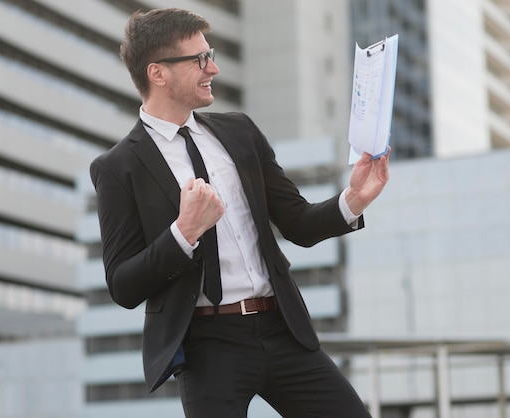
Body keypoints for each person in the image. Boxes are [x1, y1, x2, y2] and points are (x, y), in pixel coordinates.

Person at [90, 7, 390, 418]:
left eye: (209, 54)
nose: (212, 67)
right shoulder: (117, 167)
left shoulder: (239, 133)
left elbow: (298, 223)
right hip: (207, 346)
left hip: (281, 329)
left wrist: (353, 199)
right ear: (157, 73)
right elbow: (123, 285)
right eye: (198, 59)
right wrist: (183, 232)